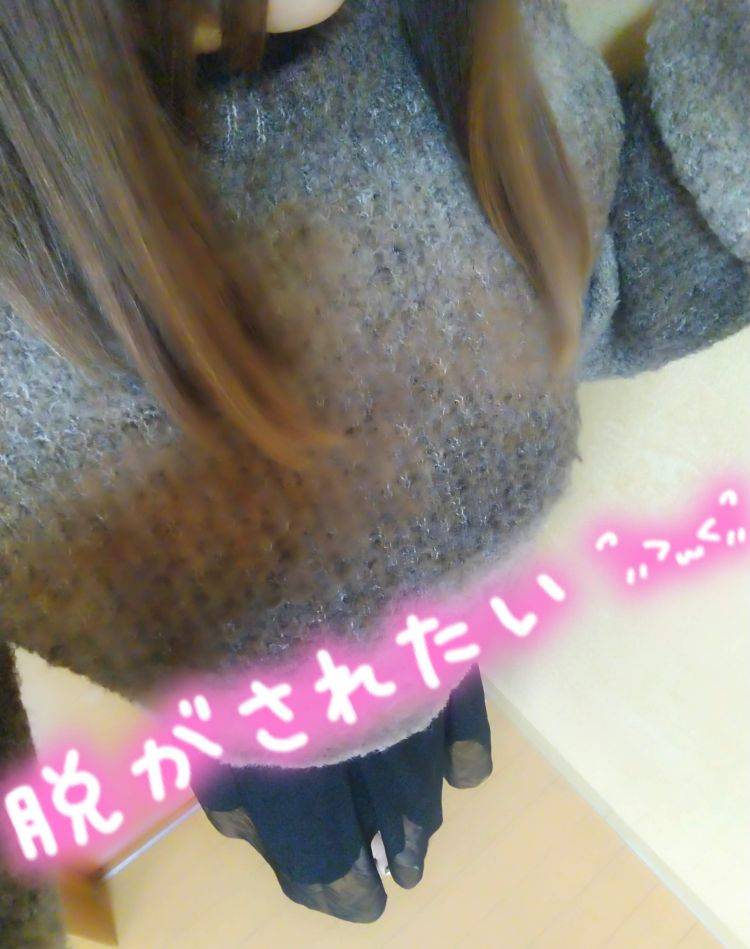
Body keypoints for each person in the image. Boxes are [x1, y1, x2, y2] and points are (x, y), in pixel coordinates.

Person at [0, 0, 747, 940]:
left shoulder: (456, 35)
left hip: (420, 640)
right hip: (255, 713)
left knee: (406, 732)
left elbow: (599, 266)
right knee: (305, 798)